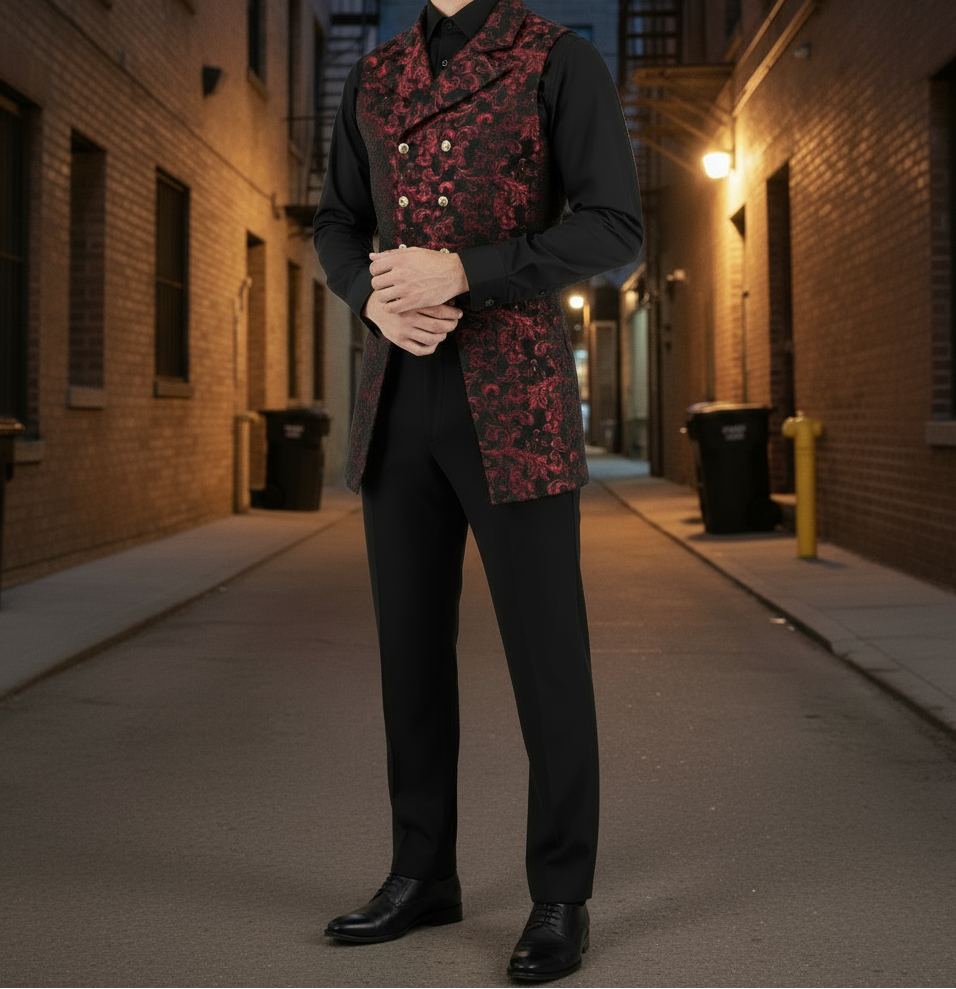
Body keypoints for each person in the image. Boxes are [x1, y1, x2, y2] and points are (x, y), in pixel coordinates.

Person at [313, 0, 641, 980]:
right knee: (409, 656)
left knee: (547, 662)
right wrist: (366, 291)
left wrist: (463, 266)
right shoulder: (372, 79)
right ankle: (422, 872)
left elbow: (612, 225)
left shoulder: (555, 58)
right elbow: (335, 219)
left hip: (516, 396)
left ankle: (559, 894)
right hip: (394, 395)